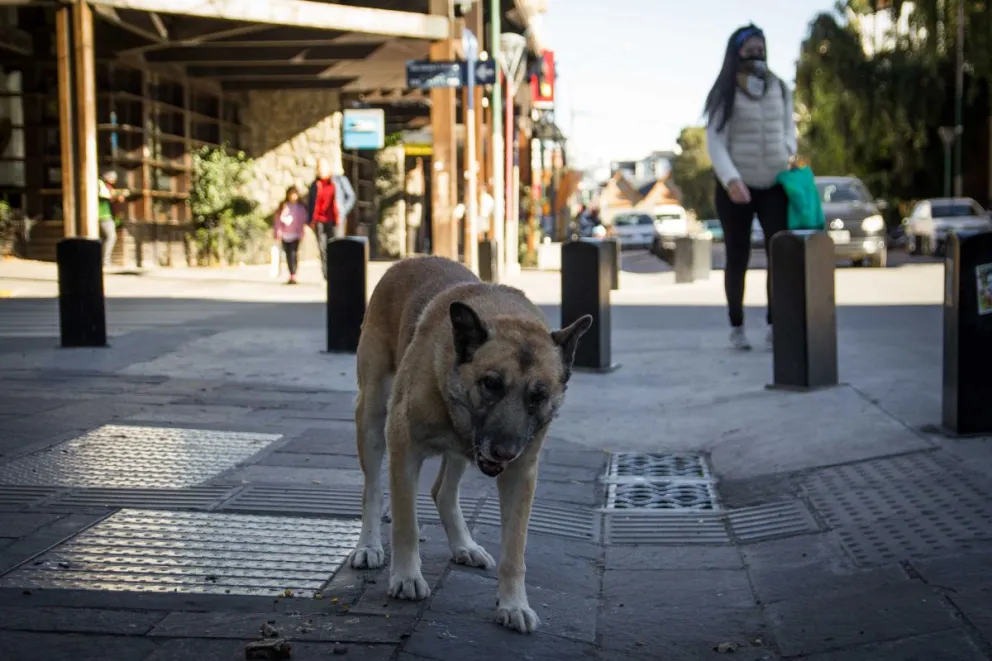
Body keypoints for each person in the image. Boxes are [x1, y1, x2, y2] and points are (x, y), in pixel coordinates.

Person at [705, 23, 797, 351]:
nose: (757, 55)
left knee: (780, 252)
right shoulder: (724, 91)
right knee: (737, 255)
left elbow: (790, 128)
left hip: (773, 182)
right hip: (736, 186)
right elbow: (714, 141)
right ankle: (737, 325)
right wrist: (731, 179)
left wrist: (787, 150)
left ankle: (776, 321)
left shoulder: (780, 88)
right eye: (750, 50)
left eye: (761, 49)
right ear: (737, 53)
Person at [306, 157, 341, 280]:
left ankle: (336, 272)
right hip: (319, 220)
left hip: (333, 220)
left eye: (323, 167)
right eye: (319, 168)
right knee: (322, 248)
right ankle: (327, 275)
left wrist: (343, 210)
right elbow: (310, 203)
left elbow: (349, 196)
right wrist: (310, 220)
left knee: (334, 247)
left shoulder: (336, 182)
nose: (321, 170)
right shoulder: (315, 185)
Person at [273, 186, 307, 285]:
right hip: (285, 234)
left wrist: (301, 233)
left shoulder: (300, 208)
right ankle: (291, 273)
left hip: (296, 234)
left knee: (293, 253)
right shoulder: (283, 206)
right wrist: (277, 232)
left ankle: (294, 274)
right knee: (288, 254)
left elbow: (302, 221)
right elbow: (278, 221)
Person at [97, 169, 126, 267]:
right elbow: (105, 195)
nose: (114, 180)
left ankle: (103, 260)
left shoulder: (108, 186)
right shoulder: (99, 183)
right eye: (112, 178)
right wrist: (117, 196)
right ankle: (105, 260)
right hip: (103, 215)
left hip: (106, 215)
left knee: (106, 238)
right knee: (111, 237)